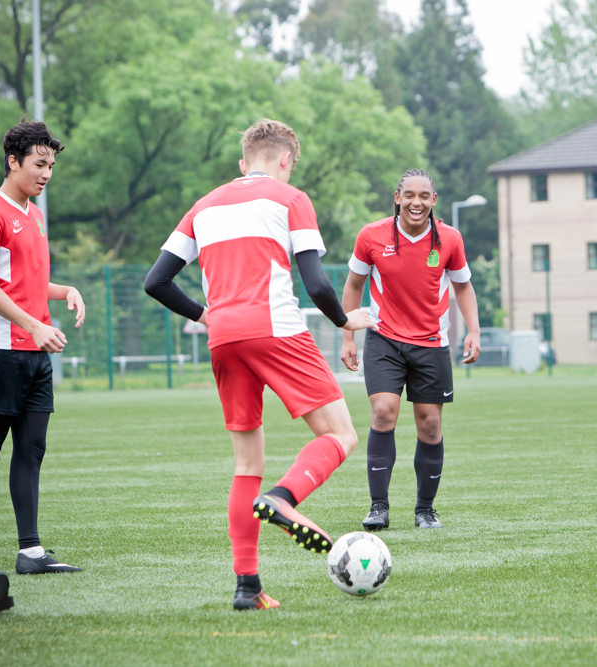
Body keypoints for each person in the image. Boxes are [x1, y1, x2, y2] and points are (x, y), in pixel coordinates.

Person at [144, 118, 376, 609]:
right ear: (286, 161)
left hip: (223, 338)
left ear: (242, 161)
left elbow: (156, 281)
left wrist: (208, 315)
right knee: (340, 435)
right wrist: (345, 320)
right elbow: (315, 284)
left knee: (246, 462)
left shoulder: (203, 206)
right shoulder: (291, 198)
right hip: (276, 329)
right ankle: (284, 498)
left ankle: (247, 587)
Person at [0, 119, 86, 575]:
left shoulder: (34, 213)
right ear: (13, 162)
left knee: (30, 450)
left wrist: (64, 291)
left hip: (34, 353)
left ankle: (30, 552)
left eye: (51, 166)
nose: (46, 173)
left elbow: (24, 284)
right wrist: (32, 326)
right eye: (38, 164)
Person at [340, 169, 481, 531]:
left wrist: (473, 331)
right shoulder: (371, 236)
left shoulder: (449, 239)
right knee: (383, 412)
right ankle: (378, 507)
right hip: (384, 339)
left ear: (434, 201)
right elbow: (354, 285)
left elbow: (463, 287)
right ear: (397, 198)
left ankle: (424, 510)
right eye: (409, 195)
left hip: (432, 344)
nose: (416, 202)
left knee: (430, 425)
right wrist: (347, 335)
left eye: (424, 196)